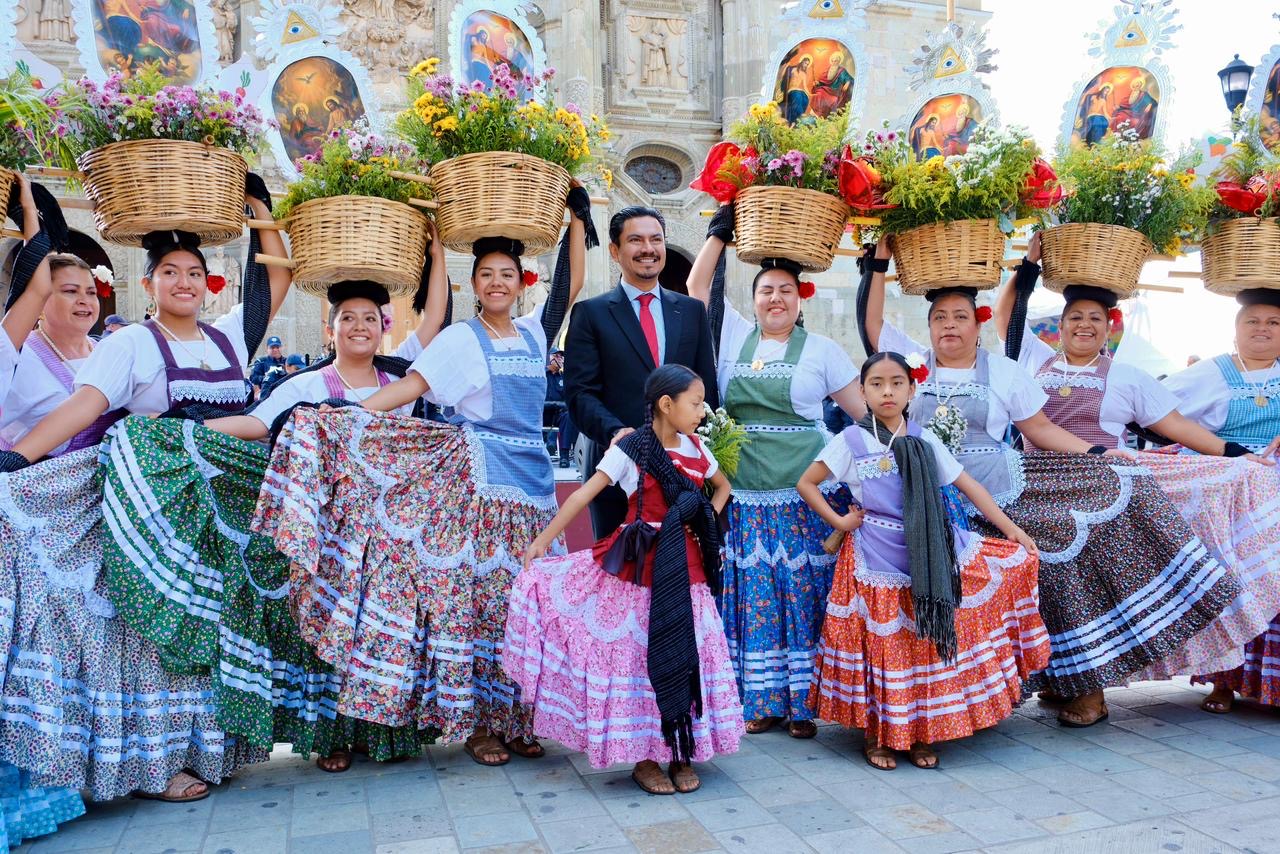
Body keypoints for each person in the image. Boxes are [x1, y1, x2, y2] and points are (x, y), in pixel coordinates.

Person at [857, 236, 1238, 728]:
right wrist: (880, 262)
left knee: (1054, 565)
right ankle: (963, 699)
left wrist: (1098, 454)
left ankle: (1086, 688)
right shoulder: (911, 368)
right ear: (928, 328)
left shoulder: (1008, 373)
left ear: (978, 325)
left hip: (999, 490)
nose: (949, 325)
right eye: (939, 318)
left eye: (960, 317)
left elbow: (1039, 430)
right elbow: (870, 326)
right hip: (926, 496)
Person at [0, 177, 294, 803]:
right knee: (154, 636)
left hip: (219, 513)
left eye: (194, 272)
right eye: (169, 272)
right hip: (152, 513)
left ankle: (208, 749)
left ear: (209, 283)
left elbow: (274, 284)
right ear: (149, 283)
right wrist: (15, 458)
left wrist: (259, 211)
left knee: (210, 629)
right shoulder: (131, 342)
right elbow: (85, 406)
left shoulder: (227, 340)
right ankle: (154, 768)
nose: (183, 282)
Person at [352, 186, 592, 766]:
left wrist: (578, 220)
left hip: (534, 484)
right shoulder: (461, 339)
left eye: (506, 274)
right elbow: (412, 388)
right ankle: (481, 725)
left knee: (530, 602)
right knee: (485, 602)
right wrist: (351, 417)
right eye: (485, 275)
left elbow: (572, 285)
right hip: (480, 488)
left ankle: (521, 717)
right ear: (475, 284)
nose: (497, 284)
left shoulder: (535, 333)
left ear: (520, 280)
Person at [994, 240, 1280, 684]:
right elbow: (1005, 315)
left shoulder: (1128, 377)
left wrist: (1237, 456)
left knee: (1083, 588)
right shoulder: (1033, 359)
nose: (1084, 326)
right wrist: (1028, 264)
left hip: (1099, 492)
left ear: (1109, 329)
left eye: (1095, 319)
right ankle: (1054, 680)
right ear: (1061, 326)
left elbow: (1179, 428)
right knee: (1037, 582)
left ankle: (1091, 689)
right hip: (1034, 484)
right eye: (1075, 318)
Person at [799, 352, 1049, 770]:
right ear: (862, 392)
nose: (887, 391)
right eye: (876, 383)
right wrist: (840, 519)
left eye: (897, 382)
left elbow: (969, 486)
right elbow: (807, 483)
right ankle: (880, 735)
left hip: (927, 553)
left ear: (913, 390)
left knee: (923, 645)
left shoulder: (923, 439)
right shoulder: (851, 441)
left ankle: (920, 732)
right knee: (882, 647)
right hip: (873, 557)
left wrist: (1012, 531)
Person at [509, 364, 741, 794]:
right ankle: (646, 757)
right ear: (667, 405)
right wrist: (543, 540)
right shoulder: (631, 448)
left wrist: (702, 518)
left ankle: (680, 750)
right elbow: (583, 493)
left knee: (686, 655)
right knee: (639, 661)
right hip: (638, 569)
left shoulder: (697, 449)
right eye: (696, 402)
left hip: (686, 568)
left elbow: (724, 487)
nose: (703, 411)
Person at [686, 206, 864, 737]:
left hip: (804, 492)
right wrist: (718, 234)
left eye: (786, 290)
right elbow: (697, 288)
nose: (776, 298)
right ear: (755, 297)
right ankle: (760, 701)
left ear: (799, 298)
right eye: (767, 290)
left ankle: (805, 701)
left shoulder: (824, 351)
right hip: (742, 489)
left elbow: (863, 416)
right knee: (752, 589)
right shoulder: (733, 336)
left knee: (804, 590)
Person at [565, 206, 718, 539]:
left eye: (656, 239)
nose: (648, 248)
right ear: (615, 251)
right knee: (619, 572)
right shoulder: (591, 314)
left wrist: (705, 448)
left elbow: (707, 391)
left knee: (682, 571)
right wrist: (617, 433)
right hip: (618, 468)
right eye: (636, 240)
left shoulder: (691, 311)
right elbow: (579, 394)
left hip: (684, 470)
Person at [1163, 287, 1280, 715]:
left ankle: (1269, 683)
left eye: (1273, 322)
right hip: (1228, 486)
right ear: (1236, 331)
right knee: (1232, 574)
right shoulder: (1212, 372)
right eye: (1253, 321)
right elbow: (1158, 408)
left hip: (1275, 485)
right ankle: (1222, 682)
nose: (1263, 329)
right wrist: (1208, 446)